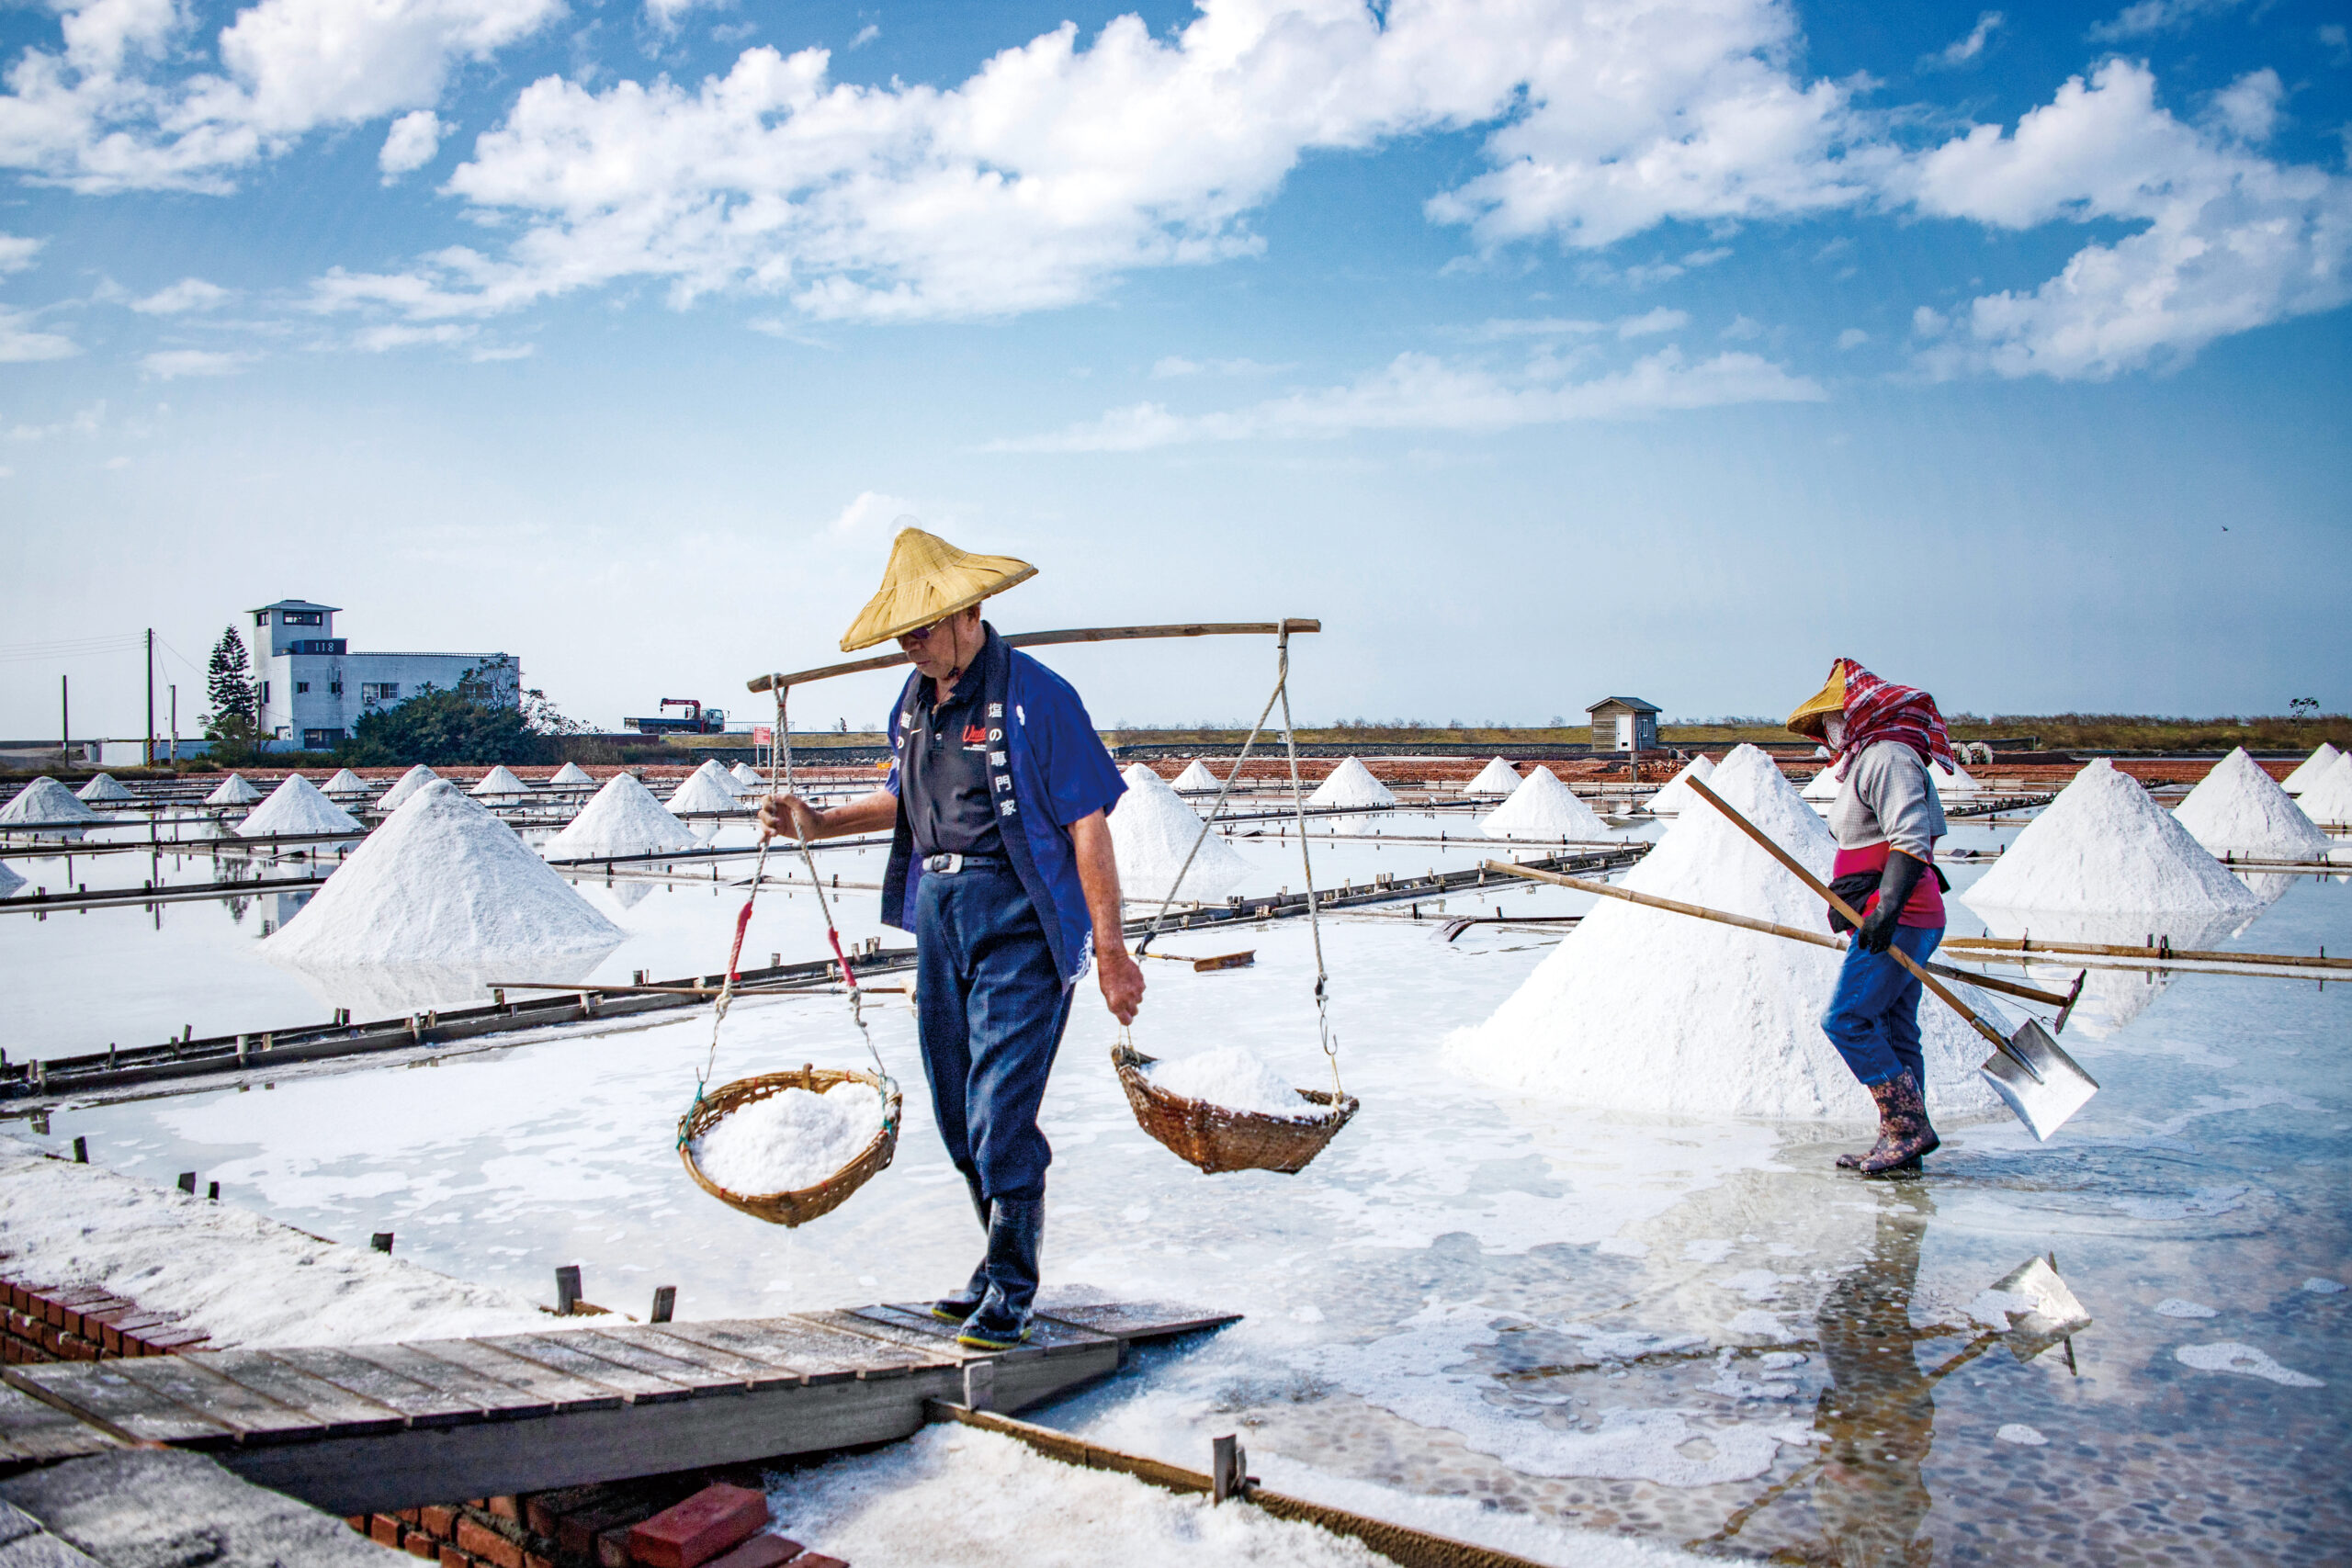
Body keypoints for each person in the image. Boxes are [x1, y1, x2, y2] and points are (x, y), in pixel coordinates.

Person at [758, 525, 1146, 1348]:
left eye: (924, 626)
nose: (912, 642)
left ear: (970, 611)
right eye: (902, 631)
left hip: (1020, 920)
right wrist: (817, 821)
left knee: (1000, 1110)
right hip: (939, 916)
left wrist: (1111, 949)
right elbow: (903, 798)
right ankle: (994, 1258)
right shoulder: (912, 705)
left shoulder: (1041, 697)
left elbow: (1087, 825)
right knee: (955, 1109)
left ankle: (1012, 1282)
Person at [1786, 658, 1955, 1176]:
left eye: (1835, 719)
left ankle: (1906, 1127)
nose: (1829, 732)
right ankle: (1903, 1144)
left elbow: (1911, 840)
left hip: (1901, 912)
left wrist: (1884, 911)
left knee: (1847, 1019)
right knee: (1894, 1026)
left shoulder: (1888, 758)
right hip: (1898, 910)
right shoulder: (1869, 759)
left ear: (1861, 713)